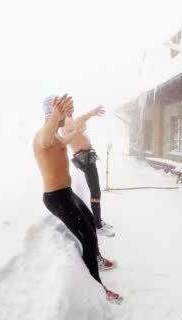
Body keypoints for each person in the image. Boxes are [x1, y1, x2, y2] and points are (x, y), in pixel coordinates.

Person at [33, 94, 122, 303]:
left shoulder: (55, 136)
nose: (68, 116)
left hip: (66, 192)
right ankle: (98, 288)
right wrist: (56, 115)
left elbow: (65, 140)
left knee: (91, 221)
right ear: (52, 113)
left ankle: (97, 260)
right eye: (65, 112)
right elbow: (46, 137)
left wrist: (77, 131)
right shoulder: (42, 136)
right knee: (88, 238)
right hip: (56, 198)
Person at [59, 104, 115, 237]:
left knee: (95, 189)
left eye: (72, 106)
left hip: (87, 157)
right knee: (95, 190)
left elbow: (79, 122)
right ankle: (97, 225)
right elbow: (79, 121)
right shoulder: (65, 122)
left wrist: (89, 116)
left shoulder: (70, 121)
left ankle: (97, 220)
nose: (72, 108)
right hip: (84, 158)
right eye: (69, 106)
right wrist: (91, 113)